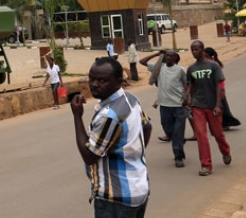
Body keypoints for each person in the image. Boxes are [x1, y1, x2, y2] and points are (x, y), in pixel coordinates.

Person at [71, 57, 151, 217]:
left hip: (116, 198)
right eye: (91, 79)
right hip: (137, 187)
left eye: (102, 80)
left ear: (118, 82)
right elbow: (147, 127)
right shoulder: (130, 99)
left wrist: (77, 117)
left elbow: (89, 156)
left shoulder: (109, 115)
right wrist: (131, 154)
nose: (94, 84)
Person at [186, 41, 232, 176]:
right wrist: (187, 96)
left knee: (218, 134)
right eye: (192, 50)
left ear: (202, 50)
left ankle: (225, 151)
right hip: (198, 105)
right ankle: (206, 165)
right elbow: (191, 85)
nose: (194, 52)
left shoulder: (213, 66)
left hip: (212, 105)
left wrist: (218, 105)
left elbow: (218, 85)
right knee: (201, 136)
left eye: (196, 49)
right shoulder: (191, 68)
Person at [140, 50, 188, 168]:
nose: (168, 57)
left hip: (179, 106)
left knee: (178, 131)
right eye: (167, 55)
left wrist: (187, 97)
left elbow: (186, 84)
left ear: (176, 59)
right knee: (167, 128)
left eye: (171, 56)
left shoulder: (180, 70)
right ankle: (179, 140)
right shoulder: (159, 67)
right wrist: (157, 54)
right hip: (164, 106)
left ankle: (178, 156)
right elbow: (142, 61)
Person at [204, 47, 241, 129]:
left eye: (204, 53)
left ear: (208, 54)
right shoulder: (205, 63)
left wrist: (222, 90)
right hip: (210, 89)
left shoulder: (215, 64)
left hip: (218, 89)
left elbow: (221, 79)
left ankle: (225, 123)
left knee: (221, 107)